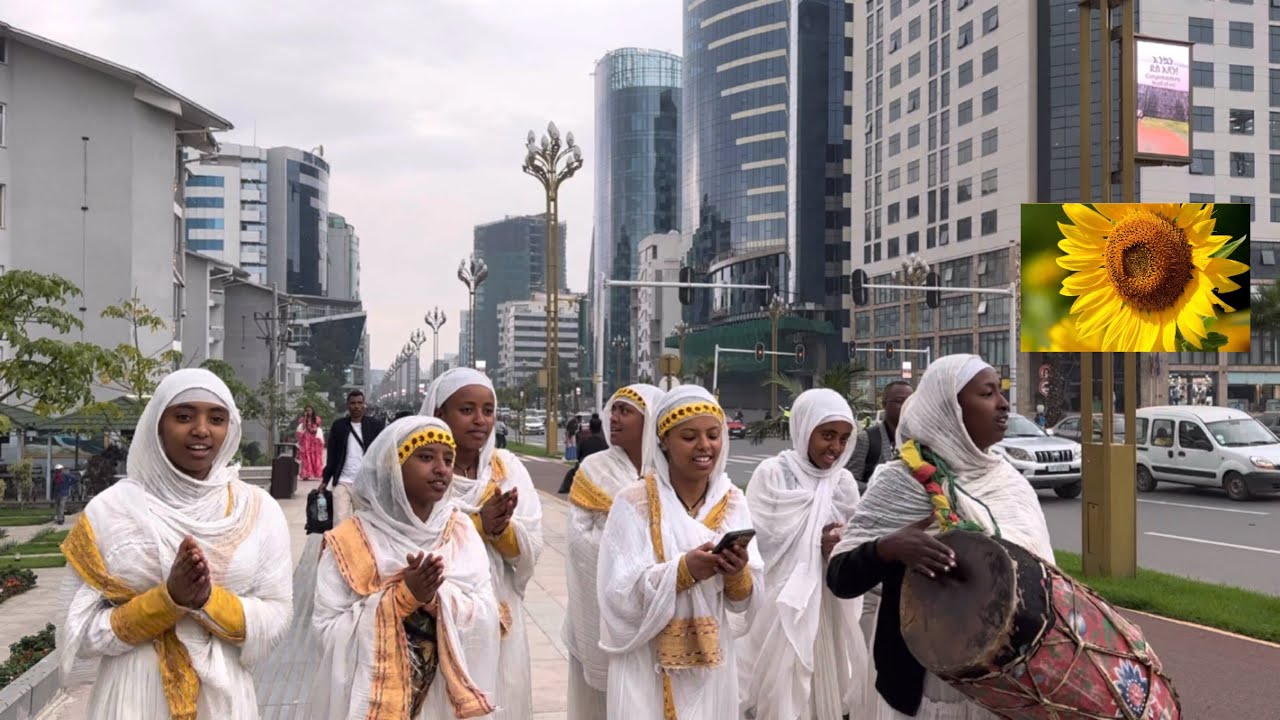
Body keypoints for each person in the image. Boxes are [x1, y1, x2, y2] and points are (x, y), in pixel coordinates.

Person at [826, 355, 1054, 720]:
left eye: (1001, 391)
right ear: (950, 409)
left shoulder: (1009, 481)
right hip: (924, 687)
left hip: (1006, 685)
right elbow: (840, 576)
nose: (1004, 403)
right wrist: (889, 549)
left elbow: (1043, 577)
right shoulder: (900, 480)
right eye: (987, 393)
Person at [58, 368, 293, 719]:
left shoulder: (257, 510)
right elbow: (78, 631)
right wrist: (166, 602)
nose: (201, 429)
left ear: (230, 429)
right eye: (184, 416)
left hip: (224, 697)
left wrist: (207, 601)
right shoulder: (110, 511)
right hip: (133, 696)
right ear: (157, 425)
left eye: (216, 418)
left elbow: (278, 615)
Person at [311, 416, 500, 719]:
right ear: (392, 467)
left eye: (448, 459)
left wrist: (437, 600)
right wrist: (399, 601)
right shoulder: (350, 541)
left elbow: (488, 612)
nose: (441, 468)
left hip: (442, 703)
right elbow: (326, 631)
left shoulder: (461, 529)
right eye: (426, 457)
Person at [596, 386, 761, 718]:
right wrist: (684, 571)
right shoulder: (634, 502)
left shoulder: (732, 502)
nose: (704, 446)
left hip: (711, 661)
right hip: (647, 661)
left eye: (713, 435)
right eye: (689, 437)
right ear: (663, 442)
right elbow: (617, 594)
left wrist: (737, 570)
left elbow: (743, 600)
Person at [421, 368, 544, 720]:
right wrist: (476, 524)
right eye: (467, 410)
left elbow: (532, 544)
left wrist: (501, 531)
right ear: (439, 413)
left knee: (503, 695)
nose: (480, 420)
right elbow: (414, 535)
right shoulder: (420, 469)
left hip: (503, 611)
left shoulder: (507, 469)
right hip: (442, 613)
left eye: (488, 411)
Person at [738, 388, 868, 720]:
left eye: (843, 438)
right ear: (804, 428)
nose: (836, 448)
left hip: (826, 606)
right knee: (779, 693)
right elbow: (760, 543)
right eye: (827, 436)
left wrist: (835, 546)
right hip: (780, 606)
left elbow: (854, 543)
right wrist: (814, 542)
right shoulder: (773, 473)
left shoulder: (844, 484)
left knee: (824, 689)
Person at [563, 384, 664, 719]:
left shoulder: (667, 471)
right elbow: (579, 539)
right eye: (614, 410)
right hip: (601, 600)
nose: (615, 418)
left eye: (626, 411)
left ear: (650, 419)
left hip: (654, 601)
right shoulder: (594, 468)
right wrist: (627, 552)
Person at [323, 390, 387, 524]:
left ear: (364, 405)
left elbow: (381, 454)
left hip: (364, 483)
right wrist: (325, 480)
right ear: (348, 405)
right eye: (353, 403)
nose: (356, 406)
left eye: (359, 403)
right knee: (340, 522)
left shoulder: (375, 426)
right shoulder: (338, 426)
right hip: (342, 481)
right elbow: (332, 456)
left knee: (364, 523)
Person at [852, 381, 914, 485]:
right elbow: (850, 482)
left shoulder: (918, 439)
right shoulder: (866, 439)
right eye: (899, 401)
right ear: (884, 404)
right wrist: (880, 492)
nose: (906, 406)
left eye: (910, 401)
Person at [560, 417, 610, 494]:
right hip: (602, 465)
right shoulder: (606, 443)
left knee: (570, 473)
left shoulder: (585, 441)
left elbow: (578, 456)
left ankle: (564, 489)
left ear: (590, 428)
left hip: (586, 465)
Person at [297, 405, 326, 481]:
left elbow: (319, 428)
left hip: (314, 440)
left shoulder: (316, 419)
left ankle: (316, 473)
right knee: (306, 456)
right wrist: (305, 419)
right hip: (306, 439)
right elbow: (302, 428)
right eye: (307, 410)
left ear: (312, 411)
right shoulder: (303, 419)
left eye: (309, 410)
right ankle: (306, 474)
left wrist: (314, 430)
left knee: (315, 456)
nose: (308, 412)